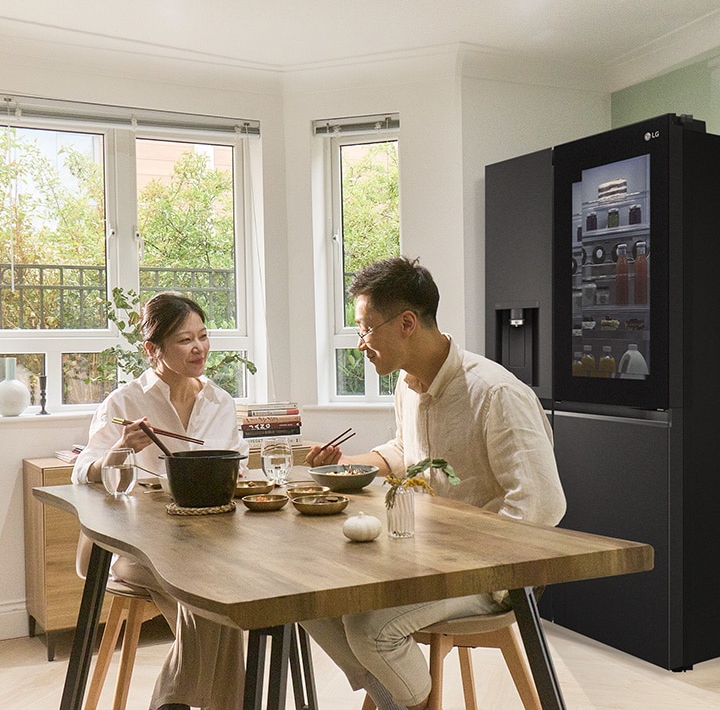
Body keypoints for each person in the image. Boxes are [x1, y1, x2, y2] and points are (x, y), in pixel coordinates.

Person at [303, 257, 566, 710]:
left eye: (365, 329)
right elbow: (409, 455)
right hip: (430, 559)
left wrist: (466, 558)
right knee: (309, 599)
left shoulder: (495, 393)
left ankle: (410, 701)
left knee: (370, 629)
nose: (360, 343)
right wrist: (345, 464)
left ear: (406, 323)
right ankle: (399, 700)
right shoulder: (409, 386)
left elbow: (541, 505)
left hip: (493, 573)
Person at [72, 292, 248, 710]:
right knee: (214, 600)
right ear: (154, 349)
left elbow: (235, 470)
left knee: (216, 596)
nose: (199, 348)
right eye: (185, 340)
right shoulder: (125, 402)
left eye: (203, 337)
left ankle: (173, 703)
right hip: (140, 545)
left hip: (208, 541)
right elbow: (82, 471)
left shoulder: (220, 402)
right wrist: (120, 448)